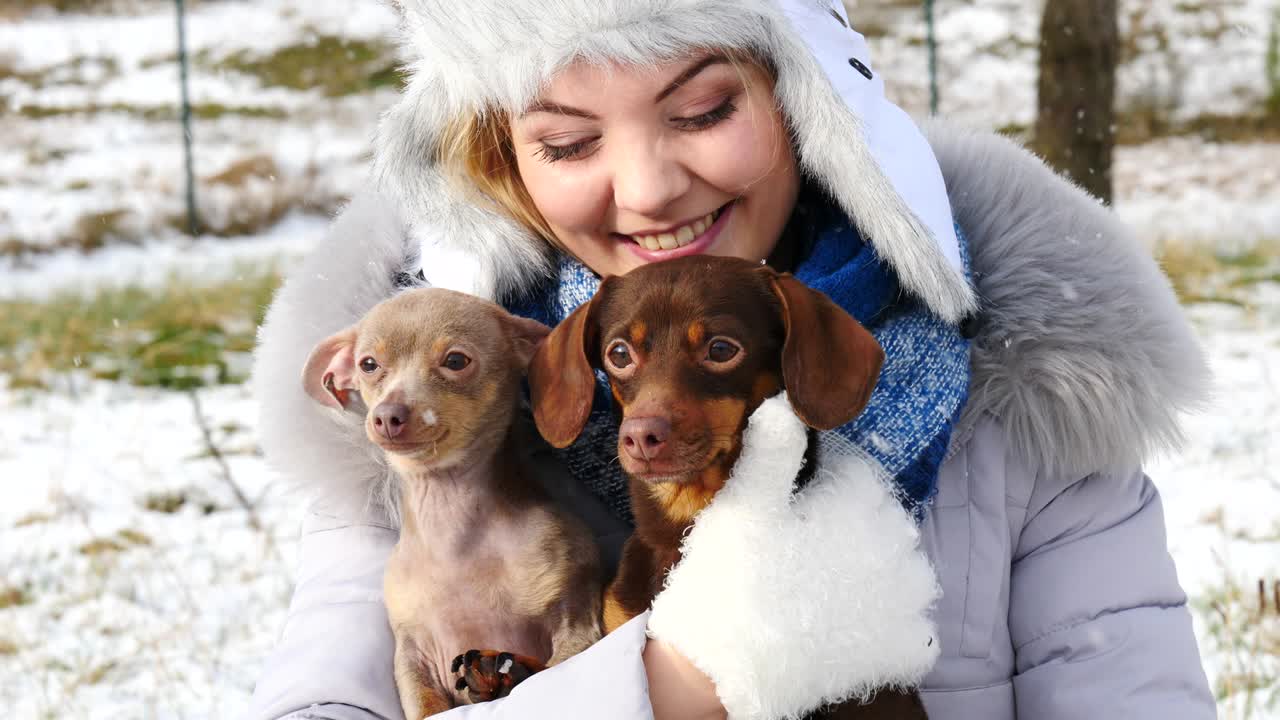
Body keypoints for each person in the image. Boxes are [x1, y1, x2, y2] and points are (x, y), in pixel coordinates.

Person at [246, 1, 1216, 718]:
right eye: (569, 140)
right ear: (501, 161)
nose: (649, 189)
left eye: (703, 111)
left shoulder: (1026, 387)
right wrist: (655, 690)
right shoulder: (432, 437)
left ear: (806, 103)